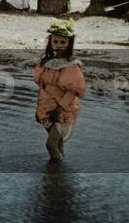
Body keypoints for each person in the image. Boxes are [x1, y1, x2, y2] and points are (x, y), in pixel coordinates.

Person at [34, 19, 87, 162]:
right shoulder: (45, 63)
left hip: (63, 108)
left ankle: (55, 173)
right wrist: (38, 108)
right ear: (50, 42)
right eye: (55, 42)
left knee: (50, 144)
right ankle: (61, 178)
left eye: (63, 42)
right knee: (57, 142)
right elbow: (42, 87)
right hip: (47, 106)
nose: (58, 46)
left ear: (69, 44)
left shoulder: (71, 66)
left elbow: (73, 91)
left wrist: (59, 109)